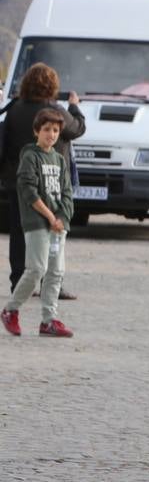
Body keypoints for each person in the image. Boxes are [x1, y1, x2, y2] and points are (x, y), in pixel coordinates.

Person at [2, 63, 84, 295]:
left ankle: (19, 282)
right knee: (51, 230)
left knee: (19, 232)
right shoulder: (54, 110)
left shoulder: (15, 109)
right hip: (50, 182)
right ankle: (51, 283)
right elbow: (77, 129)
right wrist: (74, 107)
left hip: (17, 181)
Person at [1, 109, 74, 338]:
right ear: (36, 131)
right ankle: (10, 310)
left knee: (56, 272)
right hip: (37, 223)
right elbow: (28, 191)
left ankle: (49, 320)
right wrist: (50, 217)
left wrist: (62, 217)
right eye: (46, 130)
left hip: (57, 226)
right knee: (36, 270)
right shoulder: (30, 156)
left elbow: (67, 193)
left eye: (55, 130)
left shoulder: (60, 159)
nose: (51, 134)